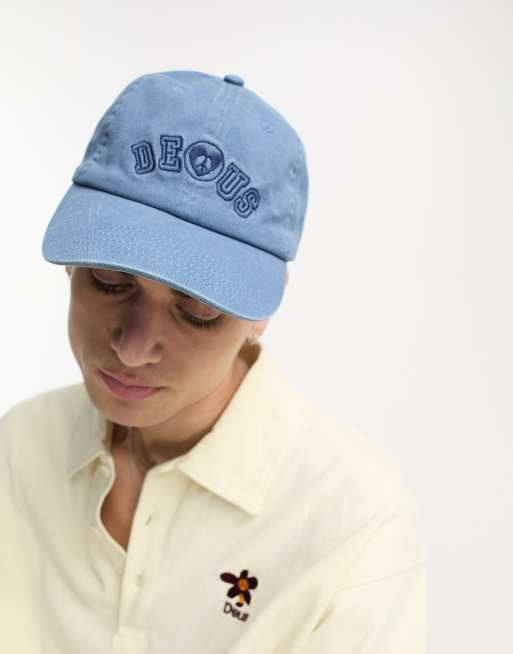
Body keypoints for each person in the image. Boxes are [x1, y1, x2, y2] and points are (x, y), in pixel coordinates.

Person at [0, 70, 427, 653]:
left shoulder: (350, 523)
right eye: (109, 279)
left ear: (260, 316)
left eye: (197, 309)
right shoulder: (18, 453)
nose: (133, 347)